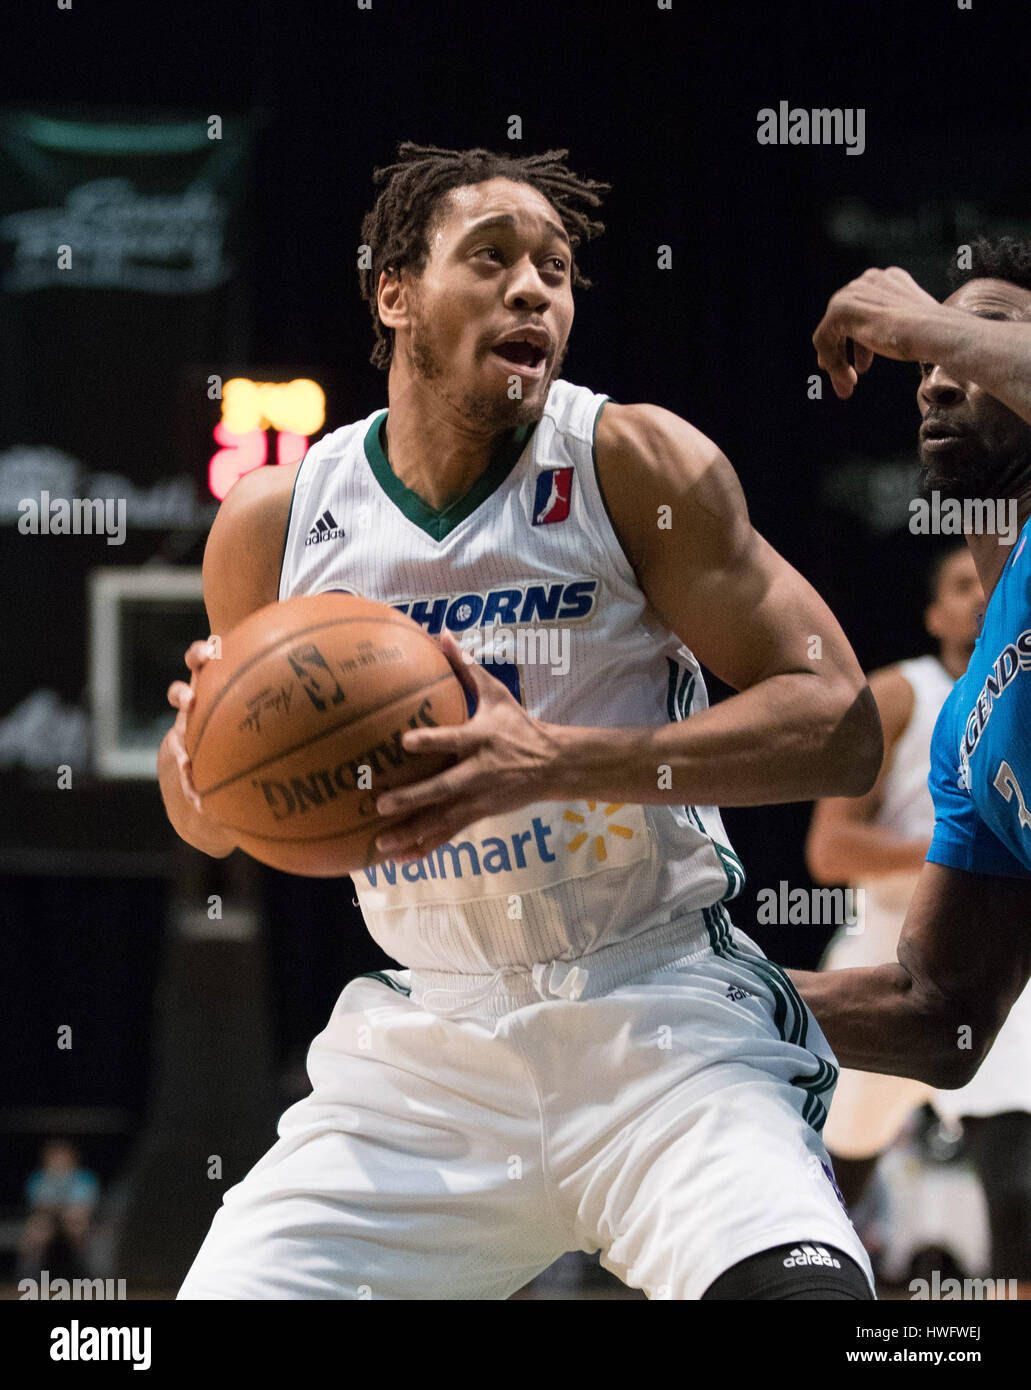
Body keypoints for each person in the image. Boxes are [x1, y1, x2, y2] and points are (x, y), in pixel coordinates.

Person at [162, 142, 883, 1301]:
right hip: (426, 1057)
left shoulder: (631, 462)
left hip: (658, 1021)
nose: (533, 288)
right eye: (489, 257)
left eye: (553, 267)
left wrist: (552, 760)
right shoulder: (274, 523)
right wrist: (200, 756)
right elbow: (203, 826)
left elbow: (839, 723)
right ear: (393, 291)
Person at [794, 238, 1031, 1226]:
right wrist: (675, 986)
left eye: (981, 339)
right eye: (927, 365)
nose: (937, 376)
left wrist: (916, 320)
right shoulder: (968, 723)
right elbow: (937, 1015)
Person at [806, 544, 1031, 1292]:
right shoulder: (899, 693)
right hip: (885, 957)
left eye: (987, 583)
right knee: (828, 1178)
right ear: (933, 613)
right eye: (959, 585)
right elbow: (830, 848)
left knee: (1018, 1183)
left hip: (991, 956)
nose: (976, 596)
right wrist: (955, 853)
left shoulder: (1021, 689)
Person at [17, 1139, 99, 1280]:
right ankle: (26, 1279)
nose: (59, 1161)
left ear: (73, 1159)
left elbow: (86, 1206)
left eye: (63, 1157)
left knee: (78, 1226)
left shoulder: (85, 1178)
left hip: (75, 1219)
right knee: (35, 1231)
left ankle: (90, 1278)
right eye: (54, 1157)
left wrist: (66, 1211)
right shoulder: (39, 1178)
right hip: (47, 1219)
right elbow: (39, 1206)